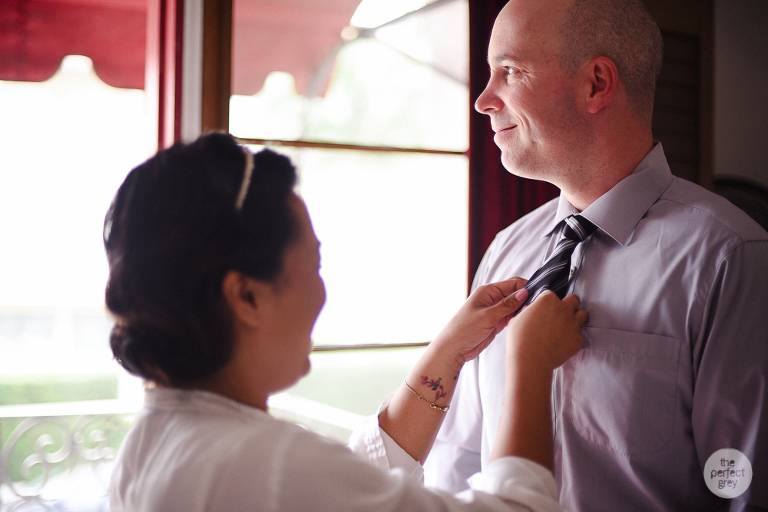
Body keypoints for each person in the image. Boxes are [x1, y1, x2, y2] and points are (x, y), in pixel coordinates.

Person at [104, 131, 590, 511]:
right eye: (314, 265)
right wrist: (528, 369)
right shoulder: (272, 466)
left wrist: (447, 354)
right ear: (247, 295)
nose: (321, 292)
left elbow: (348, 487)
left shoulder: (148, 447)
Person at [424, 0, 768, 511]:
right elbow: (461, 458)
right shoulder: (504, 252)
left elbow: (742, 492)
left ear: (596, 84)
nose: (483, 100)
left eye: (510, 71)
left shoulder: (731, 260)